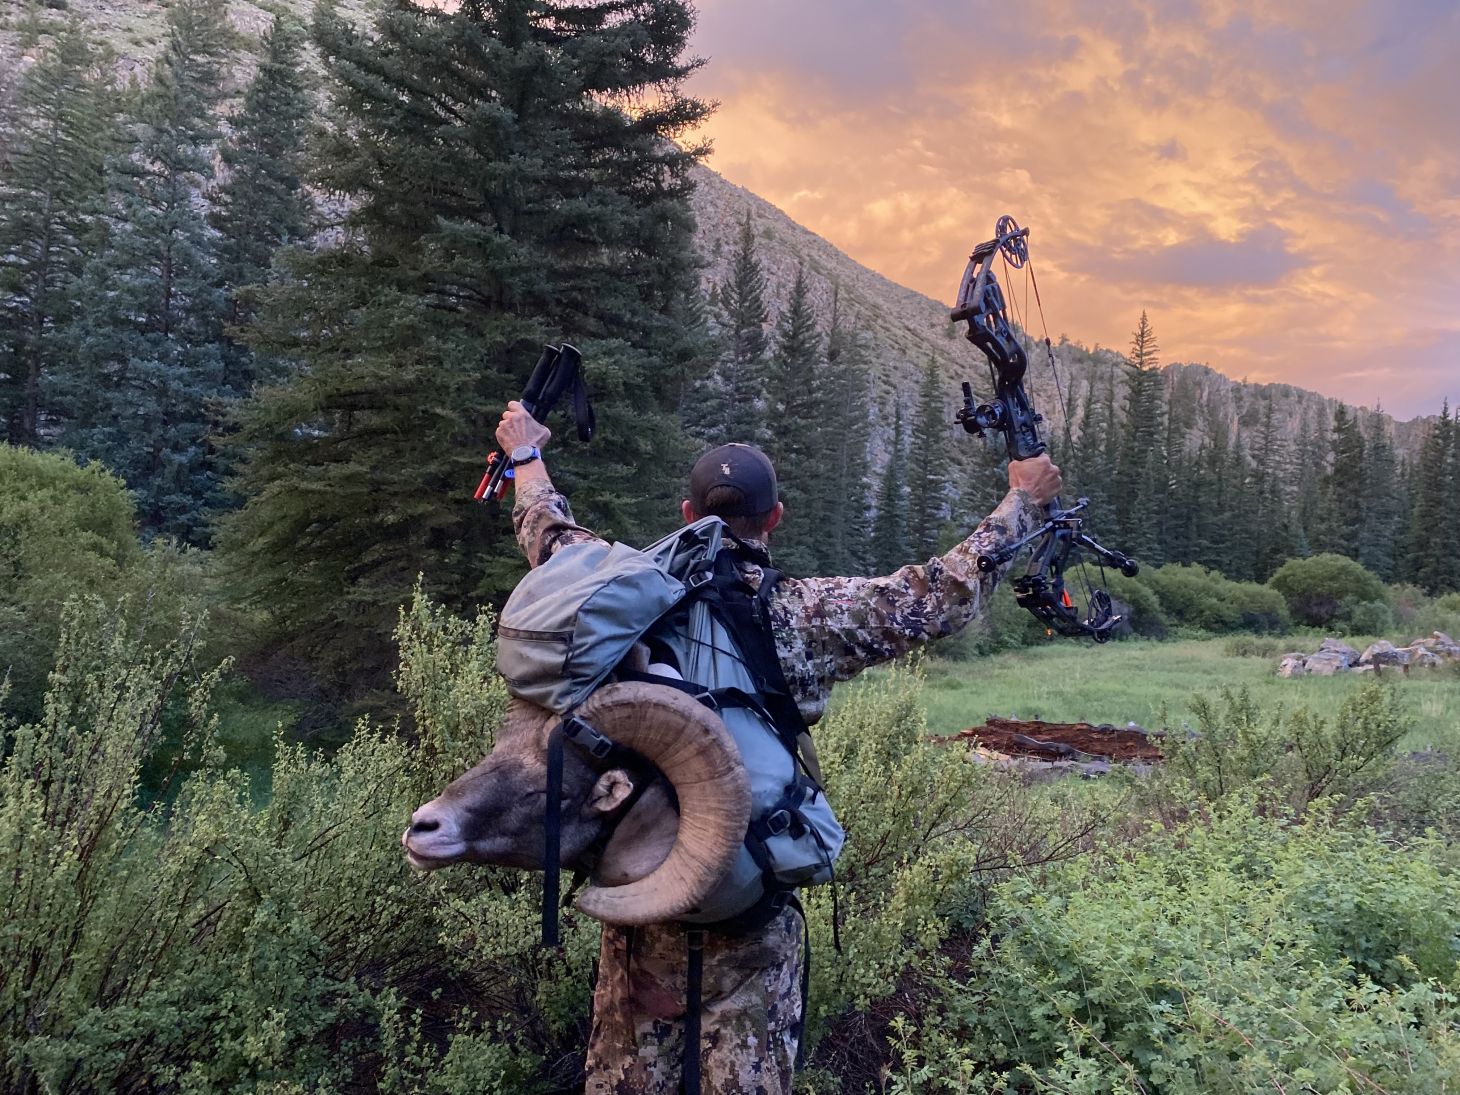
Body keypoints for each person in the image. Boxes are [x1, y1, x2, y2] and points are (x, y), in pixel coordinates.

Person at [494, 401, 1061, 1095]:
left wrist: (527, 453)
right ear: (775, 518)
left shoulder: (622, 600)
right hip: (752, 918)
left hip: (644, 908)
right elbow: (941, 596)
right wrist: (1022, 500)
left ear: (688, 513)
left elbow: (549, 532)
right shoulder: (810, 613)